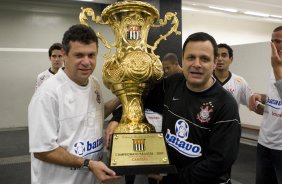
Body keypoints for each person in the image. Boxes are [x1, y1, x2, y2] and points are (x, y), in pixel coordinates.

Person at [107, 32, 241, 184]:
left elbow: (219, 161)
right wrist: (117, 118)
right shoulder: (173, 83)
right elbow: (142, 98)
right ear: (183, 60)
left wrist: (171, 178)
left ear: (215, 62)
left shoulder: (225, 104)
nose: (196, 64)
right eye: (191, 57)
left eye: (204, 59)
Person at [28, 24, 121, 184]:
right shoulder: (48, 94)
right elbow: (42, 150)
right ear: (64, 55)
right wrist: (88, 164)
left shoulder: (94, 83)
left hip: (90, 178)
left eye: (91, 55)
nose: (87, 62)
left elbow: (98, 113)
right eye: (79, 55)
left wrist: (122, 97)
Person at [249, 26, 282, 184]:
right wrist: (262, 98)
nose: (274, 46)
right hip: (264, 142)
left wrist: (277, 68)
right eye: (272, 41)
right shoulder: (274, 70)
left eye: (278, 41)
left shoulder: (276, 68)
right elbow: (277, 100)